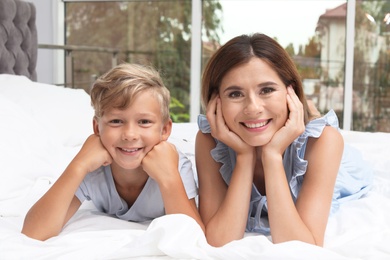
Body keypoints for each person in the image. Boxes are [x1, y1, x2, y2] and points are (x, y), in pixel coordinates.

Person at [195, 33, 373, 247]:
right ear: (216, 101)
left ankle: (307, 113)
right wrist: (244, 157)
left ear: (292, 92)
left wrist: (272, 155)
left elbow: (304, 246)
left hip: (333, 162)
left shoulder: (324, 141)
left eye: (267, 90)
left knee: (316, 129)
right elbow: (219, 240)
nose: (252, 108)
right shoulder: (209, 140)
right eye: (235, 94)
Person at [22, 63, 204, 241]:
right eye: (116, 121)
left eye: (144, 122)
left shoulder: (176, 164)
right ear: (97, 127)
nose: (130, 135)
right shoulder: (92, 169)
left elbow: (193, 238)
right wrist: (78, 166)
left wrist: (169, 178)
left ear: (165, 130)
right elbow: (34, 232)